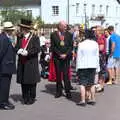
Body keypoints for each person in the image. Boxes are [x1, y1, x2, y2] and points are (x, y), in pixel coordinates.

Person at [16, 19, 40, 105]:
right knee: (23, 81)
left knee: (31, 81)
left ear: (26, 29)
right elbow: (16, 47)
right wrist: (18, 50)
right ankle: (25, 97)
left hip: (31, 63)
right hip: (22, 63)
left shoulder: (34, 37)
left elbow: (37, 49)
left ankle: (32, 97)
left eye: (22, 28)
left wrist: (28, 52)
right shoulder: (20, 37)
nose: (21, 29)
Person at [76, 29, 99, 106]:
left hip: (82, 66)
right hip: (92, 65)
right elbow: (97, 57)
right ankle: (93, 99)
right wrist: (97, 67)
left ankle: (82, 100)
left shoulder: (81, 44)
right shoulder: (95, 44)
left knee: (82, 83)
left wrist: (77, 67)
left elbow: (78, 57)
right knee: (91, 83)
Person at [50, 21, 73, 99]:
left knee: (66, 75)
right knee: (58, 75)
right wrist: (60, 54)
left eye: (66, 26)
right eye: (64, 26)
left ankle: (68, 92)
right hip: (57, 58)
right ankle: (58, 91)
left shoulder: (69, 34)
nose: (66, 27)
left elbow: (71, 46)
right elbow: (53, 47)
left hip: (66, 58)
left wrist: (66, 54)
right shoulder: (53, 35)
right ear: (59, 26)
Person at [0, 22, 16, 110]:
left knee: (5, 85)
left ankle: (4, 100)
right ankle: (3, 103)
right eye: (11, 30)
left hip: (6, 65)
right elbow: (1, 53)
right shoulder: (4, 38)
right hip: (5, 66)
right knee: (4, 86)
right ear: (8, 30)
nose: (12, 31)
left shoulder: (6, 37)